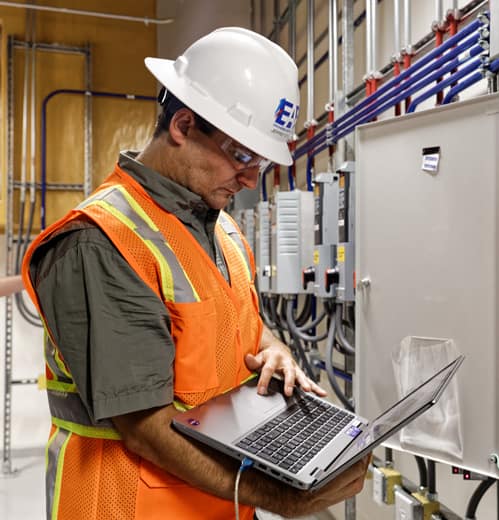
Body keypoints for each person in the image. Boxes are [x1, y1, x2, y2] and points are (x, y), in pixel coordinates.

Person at [21, 27, 369, 520]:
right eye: (242, 155)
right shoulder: (101, 242)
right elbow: (146, 429)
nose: (250, 179)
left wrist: (276, 349)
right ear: (183, 126)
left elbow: (236, 326)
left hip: (217, 505)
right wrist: (287, 498)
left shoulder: (222, 229)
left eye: (260, 162)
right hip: (128, 507)